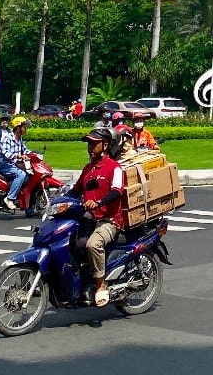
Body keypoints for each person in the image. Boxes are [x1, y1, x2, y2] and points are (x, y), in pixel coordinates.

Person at [68, 124, 127, 307]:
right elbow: (75, 191)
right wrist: (59, 199)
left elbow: (117, 191)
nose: (90, 148)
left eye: (94, 144)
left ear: (106, 145)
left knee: (93, 244)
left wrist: (99, 203)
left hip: (109, 221)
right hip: (88, 218)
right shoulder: (88, 169)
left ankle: (101, 286)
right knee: (71, 242)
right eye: (89, 144)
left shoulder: (114, 167)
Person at [0, 115, 30, 212]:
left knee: (29, 176)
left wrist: (34, 154)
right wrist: (18, 156)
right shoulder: (8, 138)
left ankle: (28, 206)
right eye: (24, 126)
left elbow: (25, 150)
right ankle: (9, 198)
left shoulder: (20, 139)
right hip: (5, 165)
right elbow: (6, 153)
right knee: (21, 174)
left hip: (15, 165)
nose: (25, 129)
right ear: (18, 128)